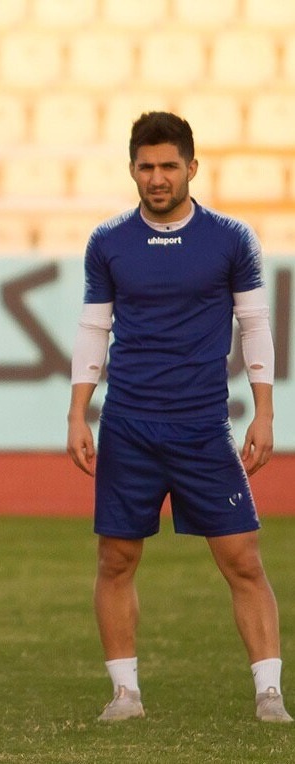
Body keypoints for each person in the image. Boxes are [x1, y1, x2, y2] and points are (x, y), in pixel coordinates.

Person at [66, 111, 291, 724]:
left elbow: (255, 325)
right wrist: (78, 414)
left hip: (201, 427)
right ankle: (125, 695)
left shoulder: (231, 238)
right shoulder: (108, 242)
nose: (158, 177)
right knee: (116, 559)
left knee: (243, 559)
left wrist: (265, 413)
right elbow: (94, 329)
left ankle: (269, 694)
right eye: (147, 167)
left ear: (192, 167)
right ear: (132, 170)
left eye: (169, 165)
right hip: (128, 425)